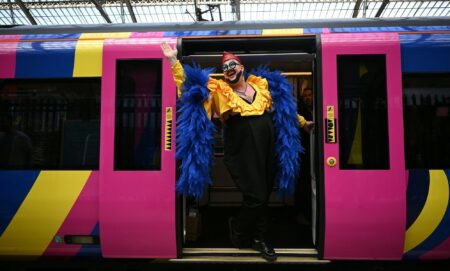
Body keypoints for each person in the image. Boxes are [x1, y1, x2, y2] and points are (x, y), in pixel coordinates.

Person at [161, 42, 313, 262]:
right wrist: (173, 61)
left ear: (241, 68)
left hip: (267, 143)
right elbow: (189, 86)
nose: (228, 69)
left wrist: (302, 123)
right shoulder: (219, 91)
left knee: (264, 194)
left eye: (232, 65)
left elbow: (284, 109)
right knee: (255, 195)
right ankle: (240, 229)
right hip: (241, 145)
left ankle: (259, 238)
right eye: (225, 68)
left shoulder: (260, 85)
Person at [295, 87, 313, 225]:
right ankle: (301, 214)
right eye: (305, 96)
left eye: (310, 95)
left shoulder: (319, 108)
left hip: (315, 153)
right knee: (303, 184)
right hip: (303, 152)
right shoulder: (300, 112)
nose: (307, 98)